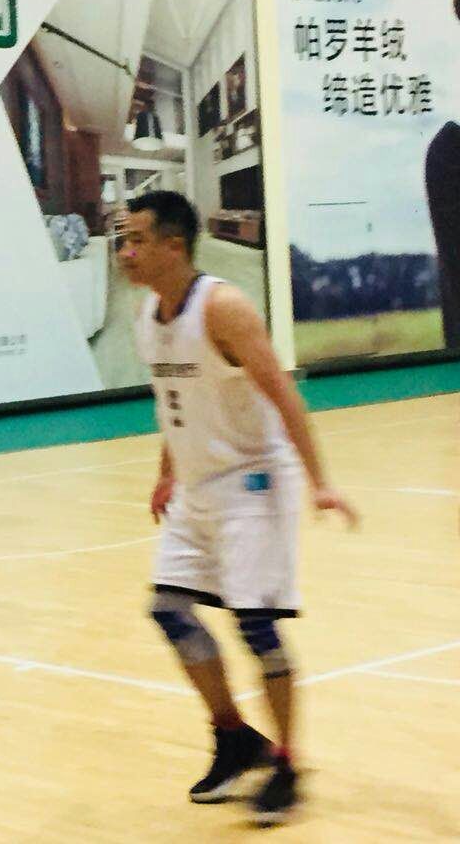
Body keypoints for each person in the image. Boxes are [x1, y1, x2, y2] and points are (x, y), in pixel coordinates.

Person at [119, 191, 359, 826]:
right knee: (168, 610)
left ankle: (286, 763)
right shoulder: (148, 315)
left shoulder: (222, 307)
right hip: (197, 489)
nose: (125, 252)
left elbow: (283, 393)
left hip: (253, 483)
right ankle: (234, 737)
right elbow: (173, 400)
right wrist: (166, 472)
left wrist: (320, 482)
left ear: (174, 246)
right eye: (123, 240)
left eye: (137, 240)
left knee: (255, 627)